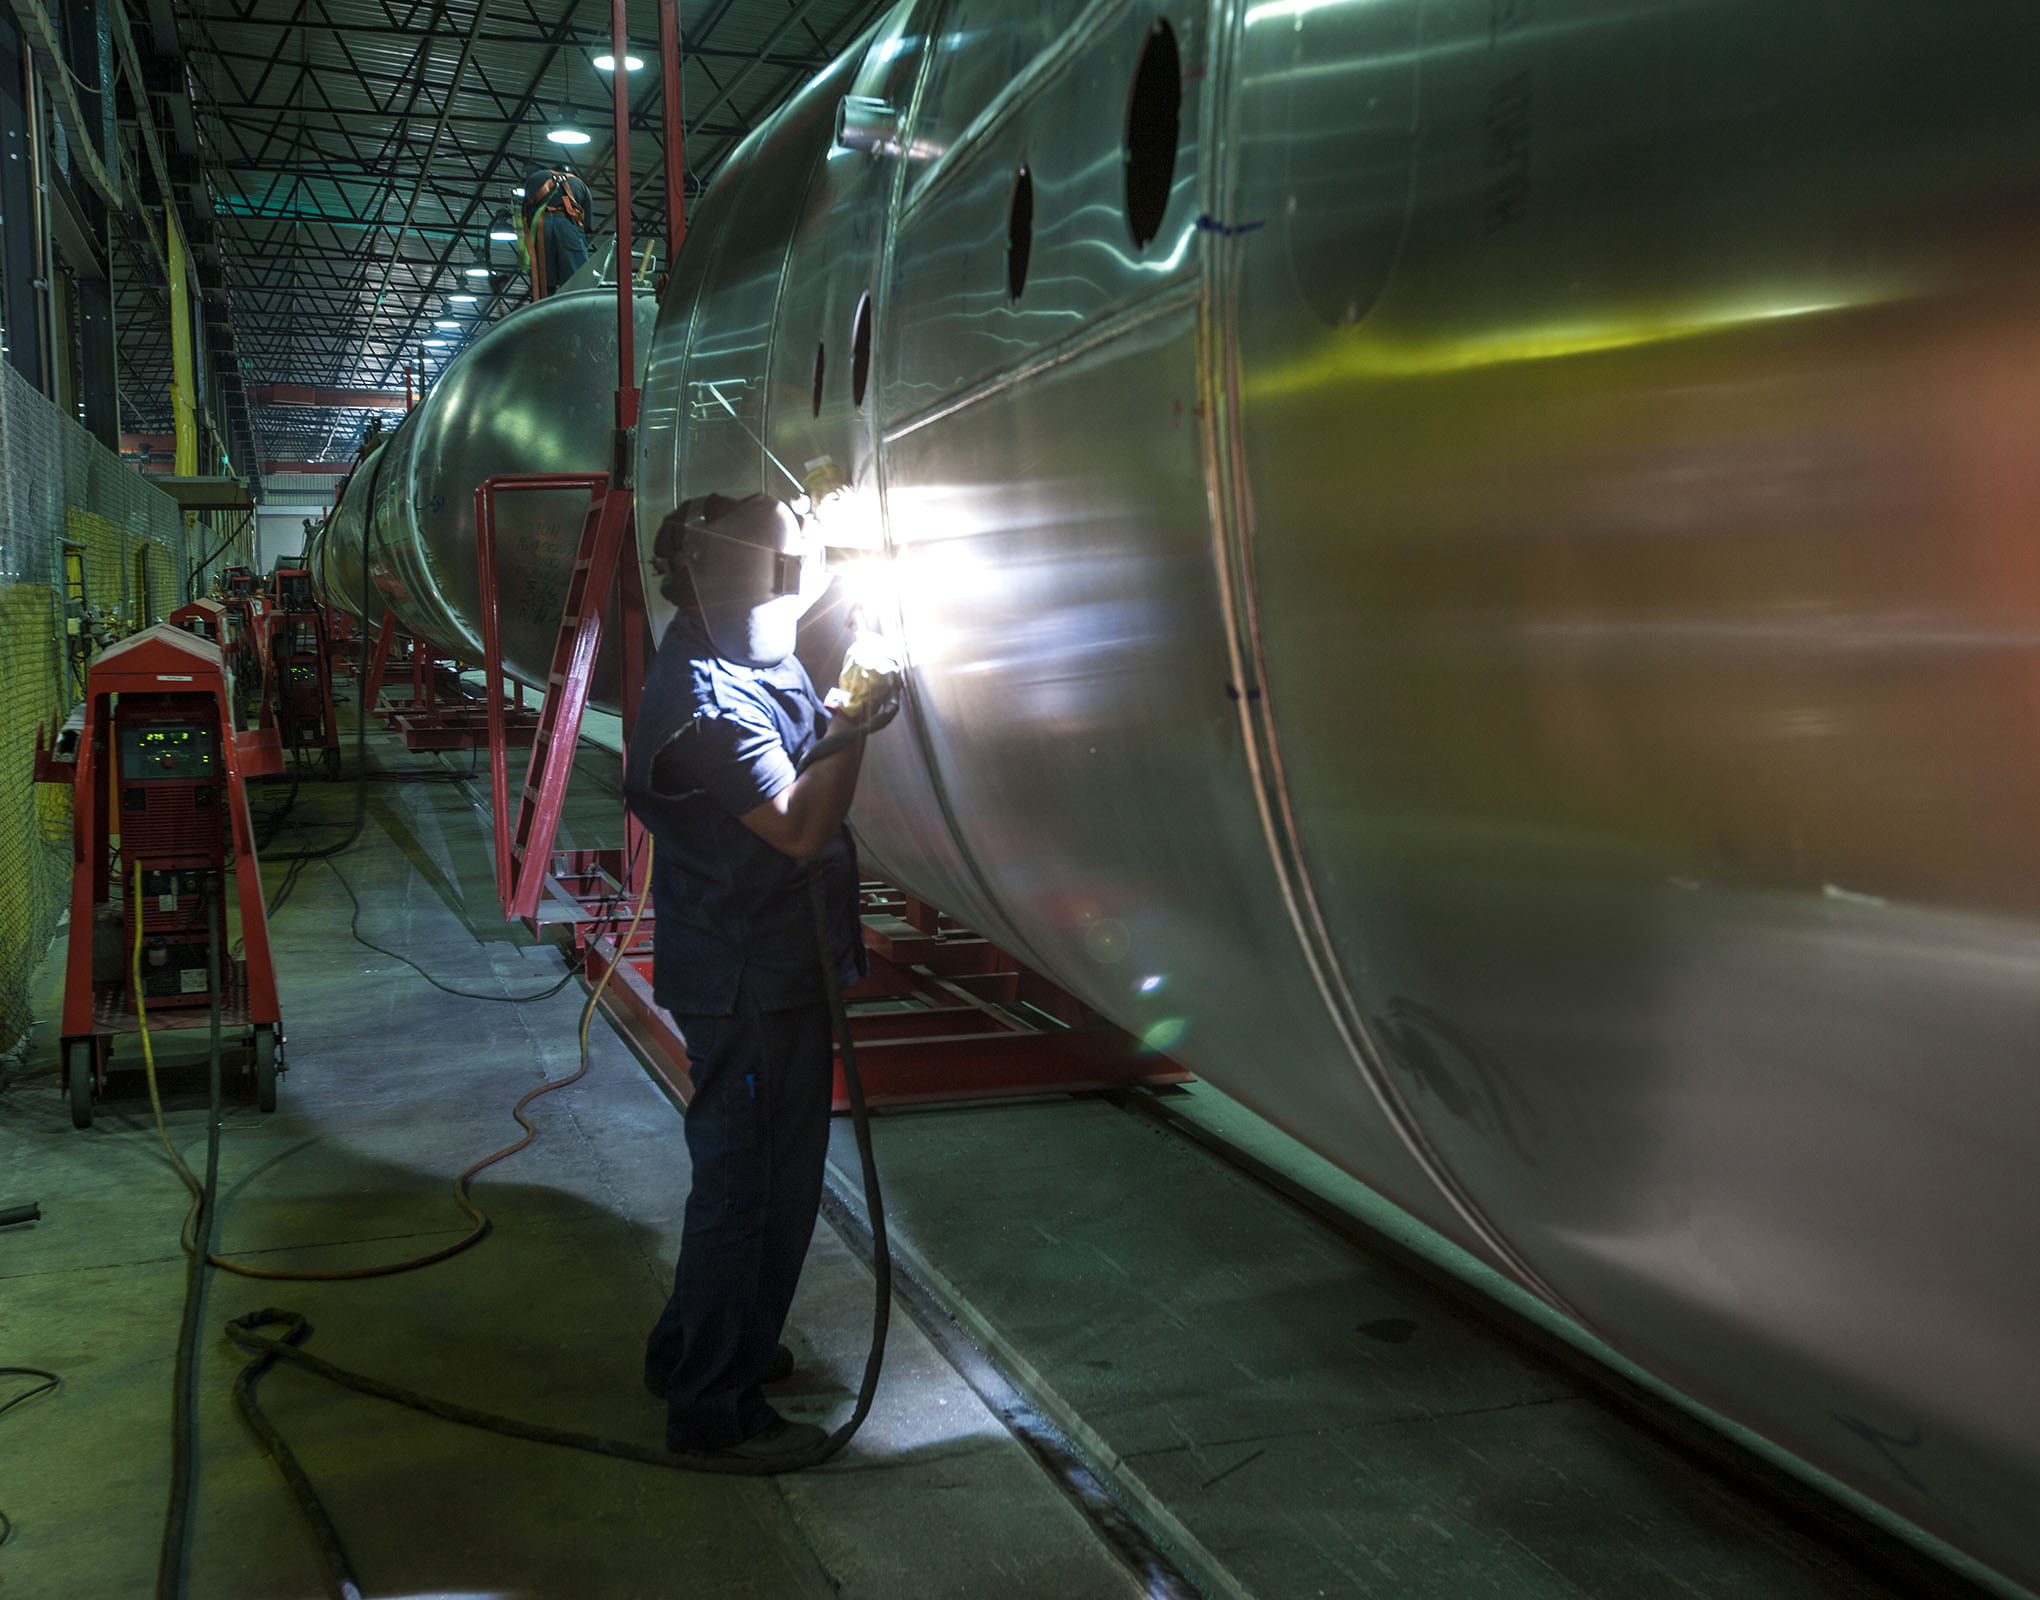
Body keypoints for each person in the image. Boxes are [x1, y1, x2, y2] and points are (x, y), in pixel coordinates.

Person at [623, 492, 900, 1468]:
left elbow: (807, 620)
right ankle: (713, 1409)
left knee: (751, 1183)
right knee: (756, 1192)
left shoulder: (732, 640)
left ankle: (689, 1350)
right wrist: (857, 713)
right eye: (788, 573)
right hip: (750, 980)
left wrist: (830, 529)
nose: (800, 590)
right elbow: (797, 828)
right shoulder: (705, 706)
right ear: (740, 582)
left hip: (769, 962)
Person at [520, 164, 593, 299]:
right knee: (576, 280)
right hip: (568, 226)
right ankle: (575, 310)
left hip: (540, 226)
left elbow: (524, 211)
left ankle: (544, 312)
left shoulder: (536, 178)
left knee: (543, 283)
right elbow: (586, 224)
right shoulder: (580, 184)